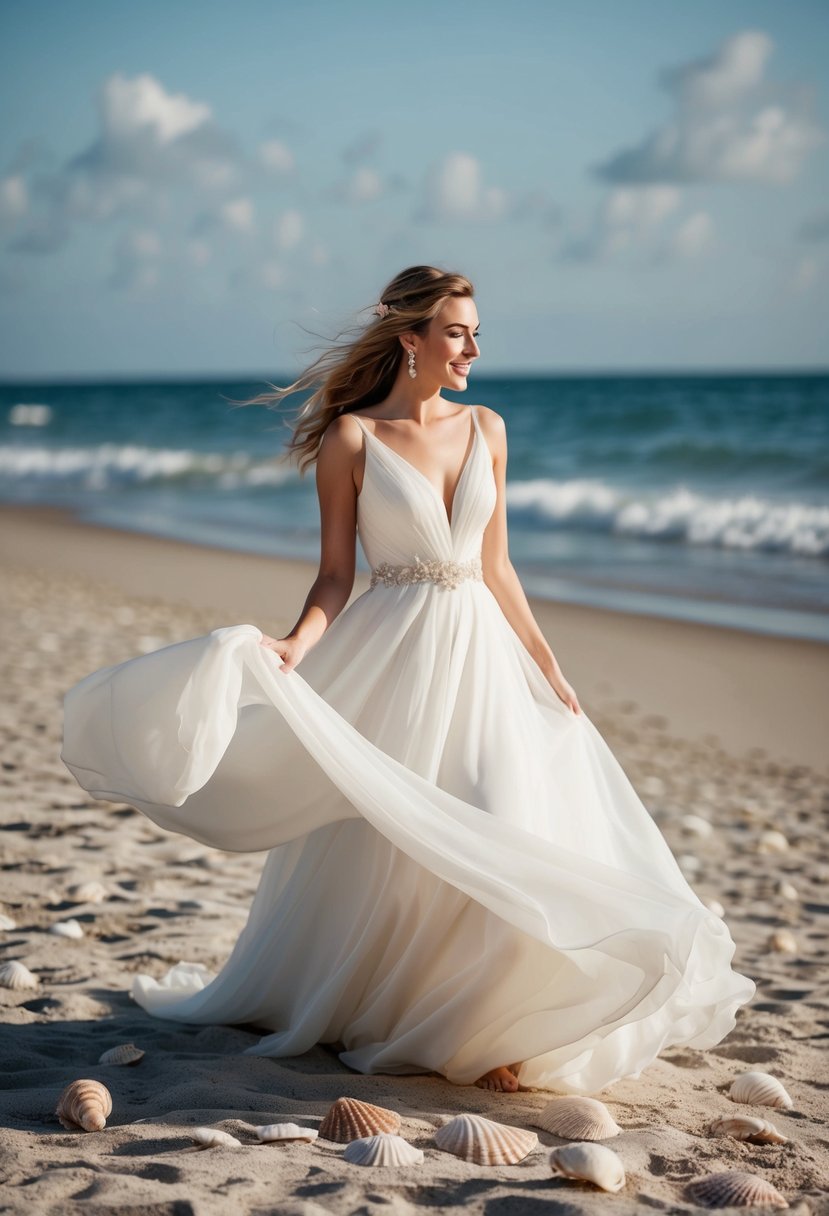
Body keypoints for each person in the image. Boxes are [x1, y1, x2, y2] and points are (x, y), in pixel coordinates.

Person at [61, 264, 756, 1095]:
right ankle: (421, 1011)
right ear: (411, 339)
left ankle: (493, 1022)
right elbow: (333, 577)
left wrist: (546, 663)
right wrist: (294, 644)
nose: (471, 348)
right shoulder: (352, 439)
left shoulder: (488, 428)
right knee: (396, 842)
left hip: (483, 655)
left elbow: (496, 566)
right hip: (395, 656)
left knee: (501, 814)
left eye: (474, 333)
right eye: (457, 331)